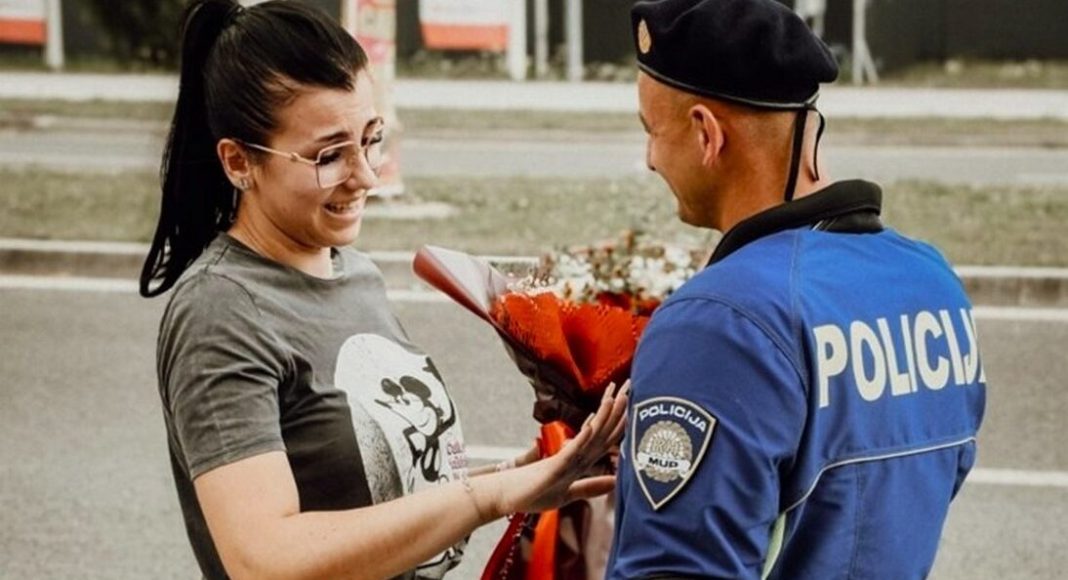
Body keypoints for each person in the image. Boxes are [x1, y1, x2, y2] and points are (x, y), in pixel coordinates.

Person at [138, 2, 628, 579]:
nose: (366, 175)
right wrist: (485, 499)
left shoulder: (354, 273)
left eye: (371, 139)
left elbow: (384, 498)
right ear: (239, 161)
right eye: (329, 155)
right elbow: (263, 559)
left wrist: (524, 479)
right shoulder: (221, 311)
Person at [605, 0, 987, 578]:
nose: (650, 159)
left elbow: (676, 567)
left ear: (707, 134)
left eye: (651, 131)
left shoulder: (719, 323)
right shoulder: (932, 282)